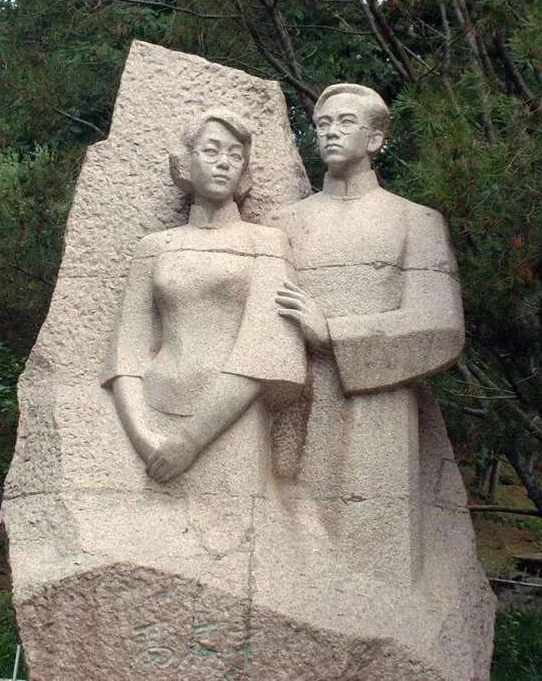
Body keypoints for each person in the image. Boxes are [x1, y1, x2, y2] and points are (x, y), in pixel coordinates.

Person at [265, 83, 464, 579]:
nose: (331, 132)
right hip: (295, 401)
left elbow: (439, 325)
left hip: (378, 407)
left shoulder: (415, 220)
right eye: (323, 124)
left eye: (345, 122)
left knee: (374, 561)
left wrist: (333, 332)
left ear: (375, 139)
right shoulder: (282, 224)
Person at [103, 109, 306, 484]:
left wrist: (191, 440)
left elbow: (266, 353)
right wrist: (144, 439)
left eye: (235, 155)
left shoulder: (267, 244)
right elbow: (126, 356)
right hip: (154, 411)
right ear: (186, 161)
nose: (224, 163)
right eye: (211, 151)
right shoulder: (155, 247)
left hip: (232, 418)